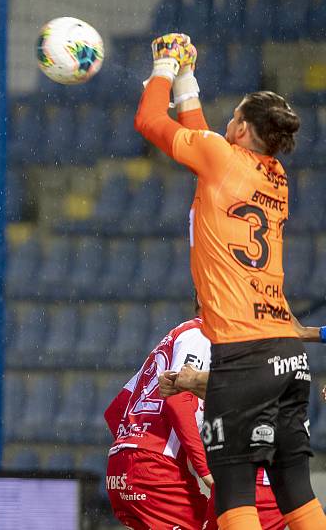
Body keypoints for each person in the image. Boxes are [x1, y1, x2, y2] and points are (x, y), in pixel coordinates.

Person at [134, 33, 326, 529]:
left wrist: (162, 67)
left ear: (240, 128)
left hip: (243, 358)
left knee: (235, 491)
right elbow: (204, 146)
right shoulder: (275, 176)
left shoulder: (220, 158)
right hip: (287, 352)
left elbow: (149, 122)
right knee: (294, 489)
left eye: (233, 116)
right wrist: (186, 78)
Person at [104, 309, 212, 529]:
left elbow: (115, 411)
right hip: (155, 469)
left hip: (122, 467)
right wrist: (205, 471)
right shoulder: (203, 334)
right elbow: (177, 400)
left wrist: (131, 460)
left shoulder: (172, 340)